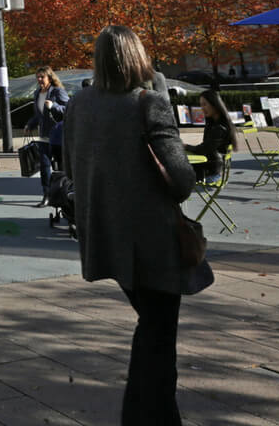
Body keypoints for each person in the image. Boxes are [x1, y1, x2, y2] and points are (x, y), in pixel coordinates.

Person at [64, 26, 212, 425]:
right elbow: (181, 181)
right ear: (137, 57)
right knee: (158, 337)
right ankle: (147, 417)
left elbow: (69, 167)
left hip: (106, 236)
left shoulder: (78, 104)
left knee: (153, 328)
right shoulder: (148, 103)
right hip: (154, 241)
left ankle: (156, 416)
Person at [26, 67, 69, 206]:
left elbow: (68, 109)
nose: (39, 80)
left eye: (42, 77)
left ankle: (64, 194)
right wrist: (30, 125)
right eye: (37, 77)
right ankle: (47, 195)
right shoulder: (37, 93)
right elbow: (38, 115)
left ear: (49, 78)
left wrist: (54, 105)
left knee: (61, 168)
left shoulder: (58, 91)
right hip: (44, 136)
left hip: (58, 136)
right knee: (45, 167)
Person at [191, 90, 235, 182]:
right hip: (212, 169)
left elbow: (204, 149)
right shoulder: (214, 124)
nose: (202, 108)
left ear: (215, 104)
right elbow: (206, 147)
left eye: (205, 104)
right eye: (201, 105)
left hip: (211, 173)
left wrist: (185, 146)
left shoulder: (220, 128)